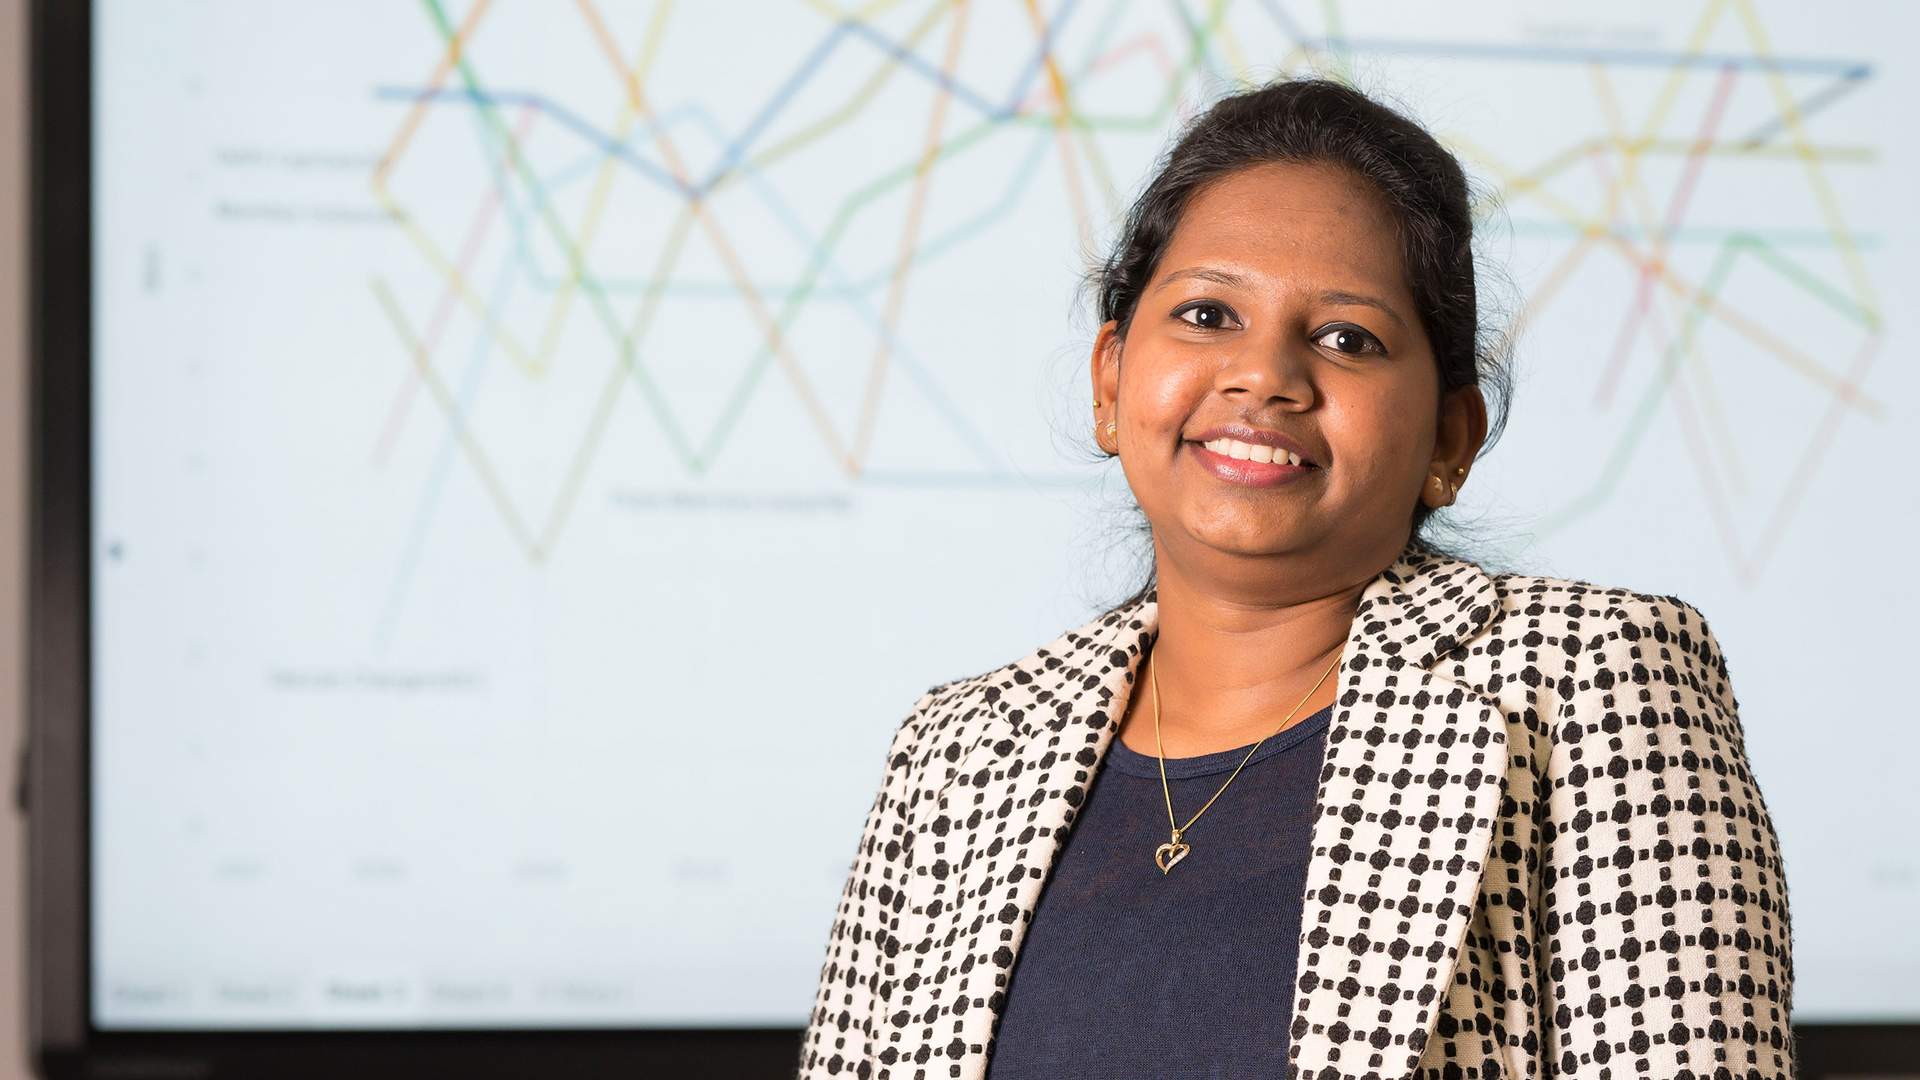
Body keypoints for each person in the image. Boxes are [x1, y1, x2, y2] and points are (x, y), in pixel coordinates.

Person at [796, 77, 1794, 1080]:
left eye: (1345, 339)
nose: (1265, 373)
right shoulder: (957, 753)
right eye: (1207, 314)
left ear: (1450, 439)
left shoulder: (1594, 680)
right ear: (1111, 384)